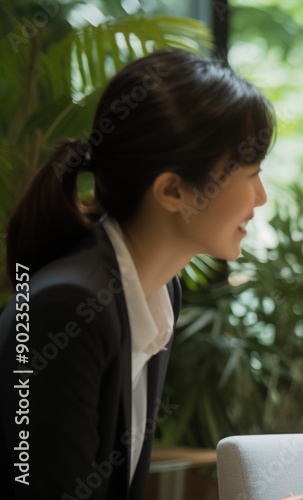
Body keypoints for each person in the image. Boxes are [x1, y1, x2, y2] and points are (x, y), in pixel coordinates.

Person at [0, 49, 276, 499]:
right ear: (172, 190)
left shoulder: (161, 290)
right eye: (250, 174)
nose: (260, 197)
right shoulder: (67, 307)